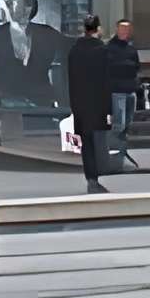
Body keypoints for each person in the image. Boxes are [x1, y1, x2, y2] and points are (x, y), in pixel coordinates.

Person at [0, 0, 72, 120]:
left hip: (42, 106)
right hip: (7, 108)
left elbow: (73, 48)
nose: (9, 5)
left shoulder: (47, 33)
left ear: (28, 3)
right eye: (6, 1)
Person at [64, 16, 117, 192]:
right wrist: (109, 109)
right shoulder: (102, 51)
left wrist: (74, 105)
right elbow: (106, 81)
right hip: (98, 103)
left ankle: (91, 178)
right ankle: (98, 176)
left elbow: (70, 80)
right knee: (99, 140)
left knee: (86, 142)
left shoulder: (74, 51)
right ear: (98, 29)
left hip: (80, 103)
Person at [107, 17, 143, 169]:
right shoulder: (110, 48)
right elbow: (110, 67)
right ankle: (114, 155)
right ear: (117, 30)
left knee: (127, 124)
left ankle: (122, 151)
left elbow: (136, 66)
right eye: (122, 28)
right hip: (117, 90)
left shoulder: (131, 49)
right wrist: (126, 67)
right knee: (118, 124)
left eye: (127, 29)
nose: (125, 32)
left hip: (130, 90)